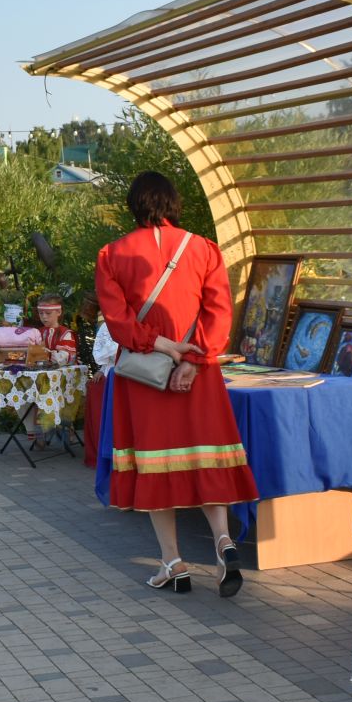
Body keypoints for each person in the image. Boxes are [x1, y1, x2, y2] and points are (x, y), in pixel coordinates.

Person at [96, 171, 257, 599]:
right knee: (206, 459)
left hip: (146, 379)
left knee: (156, 468)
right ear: (172, 203)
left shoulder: (111, 255)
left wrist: (163, 347)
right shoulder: (203, 249)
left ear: (134, 205)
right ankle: (223, 541)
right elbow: (220, 313)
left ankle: (174, 563)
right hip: (198, 376)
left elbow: (119, 324)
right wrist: (195, 359)